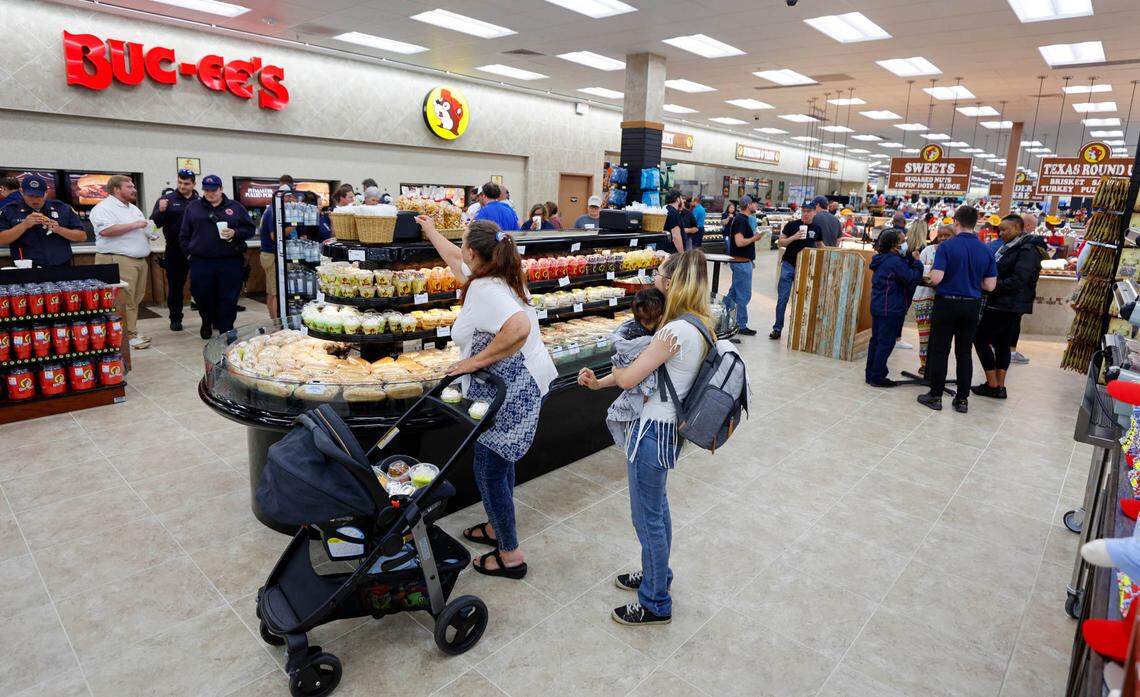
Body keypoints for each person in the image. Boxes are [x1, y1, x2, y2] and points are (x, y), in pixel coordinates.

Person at [578, 250, 712, 626]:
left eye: (659, 273)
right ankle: (657, 575)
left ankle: (655, 601)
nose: (654, 277)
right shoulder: (698, 324)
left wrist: (613, 373)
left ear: (671, 283)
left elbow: (628, 378)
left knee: (647, 518)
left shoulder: (673, 331)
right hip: (669, 429)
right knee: (658, 510)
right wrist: (599, 382)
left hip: (653, 430)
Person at [417, 216, 556, 579]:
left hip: (513, 390)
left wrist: (473, 362)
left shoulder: (485, 290)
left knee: (488, 468)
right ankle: (497, 527)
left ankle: (510, 555)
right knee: (501, 460)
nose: (459, 249)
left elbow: (519, 327)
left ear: (475, 253)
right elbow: (452, 258)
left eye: (463, 243)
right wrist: (430, 230)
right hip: (524, 384)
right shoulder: (497, 275)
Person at [917, 205, 997, 413]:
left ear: (957, 222)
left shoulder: (947, 247)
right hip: (972, 305)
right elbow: (990, 285)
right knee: (964, 352)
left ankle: (935, 396)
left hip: (947, 303)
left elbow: (936, 278)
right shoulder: (986, 250)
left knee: (940, 350)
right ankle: (962, 399)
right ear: (976, 223)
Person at [972, 215, 1047, 399]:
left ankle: (993, 384)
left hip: (1005, 304)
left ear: (1017, 228)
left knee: (980, 339)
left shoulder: (1027, 249)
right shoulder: (1014, 247)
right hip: (1007, 304)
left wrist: (993, 285)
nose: (1001, 233)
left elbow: (1019, 280)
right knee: (1002, 344)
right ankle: (998, 386)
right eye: (1000, 229)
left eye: (1005, 229)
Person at [581, 288, 667, 446]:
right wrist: (603, 380)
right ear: (661, 317)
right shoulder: (653, 342)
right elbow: (628, 376)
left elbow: (625, 372)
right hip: (650, 415)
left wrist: (603, 380)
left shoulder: (628, 336)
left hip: (645, 413)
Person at [180, 175, 255, 339]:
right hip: (201, 261)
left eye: (213, 190)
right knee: (202, 296)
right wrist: (189, 254)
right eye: (206, 190)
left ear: (221, 189)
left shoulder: (235, 207)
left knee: (228, 297)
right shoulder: (193, 207)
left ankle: (226, 329)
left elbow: (249, 229)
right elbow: (184, 234)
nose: (210, 193)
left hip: (230, 260)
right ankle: (206, 322)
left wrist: (235, 232)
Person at [91, 175, 157, 350]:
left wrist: (149, 232)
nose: (134, 189)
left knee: (134, 299)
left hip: (139, 260)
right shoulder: (104, 208)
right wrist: (135, 225)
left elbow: (138, 228)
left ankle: (131, 332)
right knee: (123, 299)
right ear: (116, 189)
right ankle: (126, 336)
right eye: (129, 187)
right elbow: (105, 230)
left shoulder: (133, 208)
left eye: (133, 186)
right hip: (118, 259)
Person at [865, 228, 924, 387]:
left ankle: (871, 374)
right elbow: (911, 278)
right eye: (902, 241)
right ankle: (877, 377)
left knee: (876, 341)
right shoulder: (894, 262)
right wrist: (918, 263)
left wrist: (909, 260)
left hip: (879, 305)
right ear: (893, 245)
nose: (905, 244)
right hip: (890, 307)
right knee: (885, 343)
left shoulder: (883, 258)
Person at [0, 174, 86, 266]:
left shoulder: (62, 208)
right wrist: (24, 225)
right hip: (27, 267)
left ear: (46, 193)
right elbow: (1, 240)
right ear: (22, 192)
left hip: (61, 265)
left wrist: (59, 229)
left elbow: (82, 236)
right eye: (30, 196)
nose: (35, 200)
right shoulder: (9, 210)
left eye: (39, 196)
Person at [151, 170, 199, 332]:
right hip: (175, 250)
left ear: (193, 184)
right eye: (180, 182)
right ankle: (175, 318)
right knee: (175, 287)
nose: (182, 186)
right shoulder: (167, 200)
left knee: (203, 285)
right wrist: (161, 210)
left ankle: (209, 318)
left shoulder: (201, 201)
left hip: (198, 250)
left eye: (186, 183)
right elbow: (154, 223)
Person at [770, 205, 822, 340]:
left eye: (808, 212)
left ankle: (800, 330)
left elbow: (820, 246)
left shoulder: (817, 228)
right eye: (803, 211)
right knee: (782, 299)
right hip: (788, 265)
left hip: (806, 267)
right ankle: (777, 328)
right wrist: (794, 237)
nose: (805, 214)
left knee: (803, 300)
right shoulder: (791, 225)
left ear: (814, 213)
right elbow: (781, 242)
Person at [912, 224, 954, 375]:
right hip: (924, 298)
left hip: (944, 300)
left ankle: (936, 367)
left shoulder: (954, 253)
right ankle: (925, 364)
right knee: (924, 336)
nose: (942, 238)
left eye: (946, 235)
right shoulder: (928, 251)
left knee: (940, 337)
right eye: (940, 235)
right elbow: (919, 271)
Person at [723, 195, 762, 336]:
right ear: (748, 204)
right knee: (743, 295)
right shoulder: (740, 220)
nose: (757, 206)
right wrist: (755, 238)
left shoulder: (742, 219)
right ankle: (741, 325)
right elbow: (739, 242)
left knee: (734, 293)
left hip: (744, 261)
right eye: (755, 203)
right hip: (741, 263)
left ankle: (723, 317)